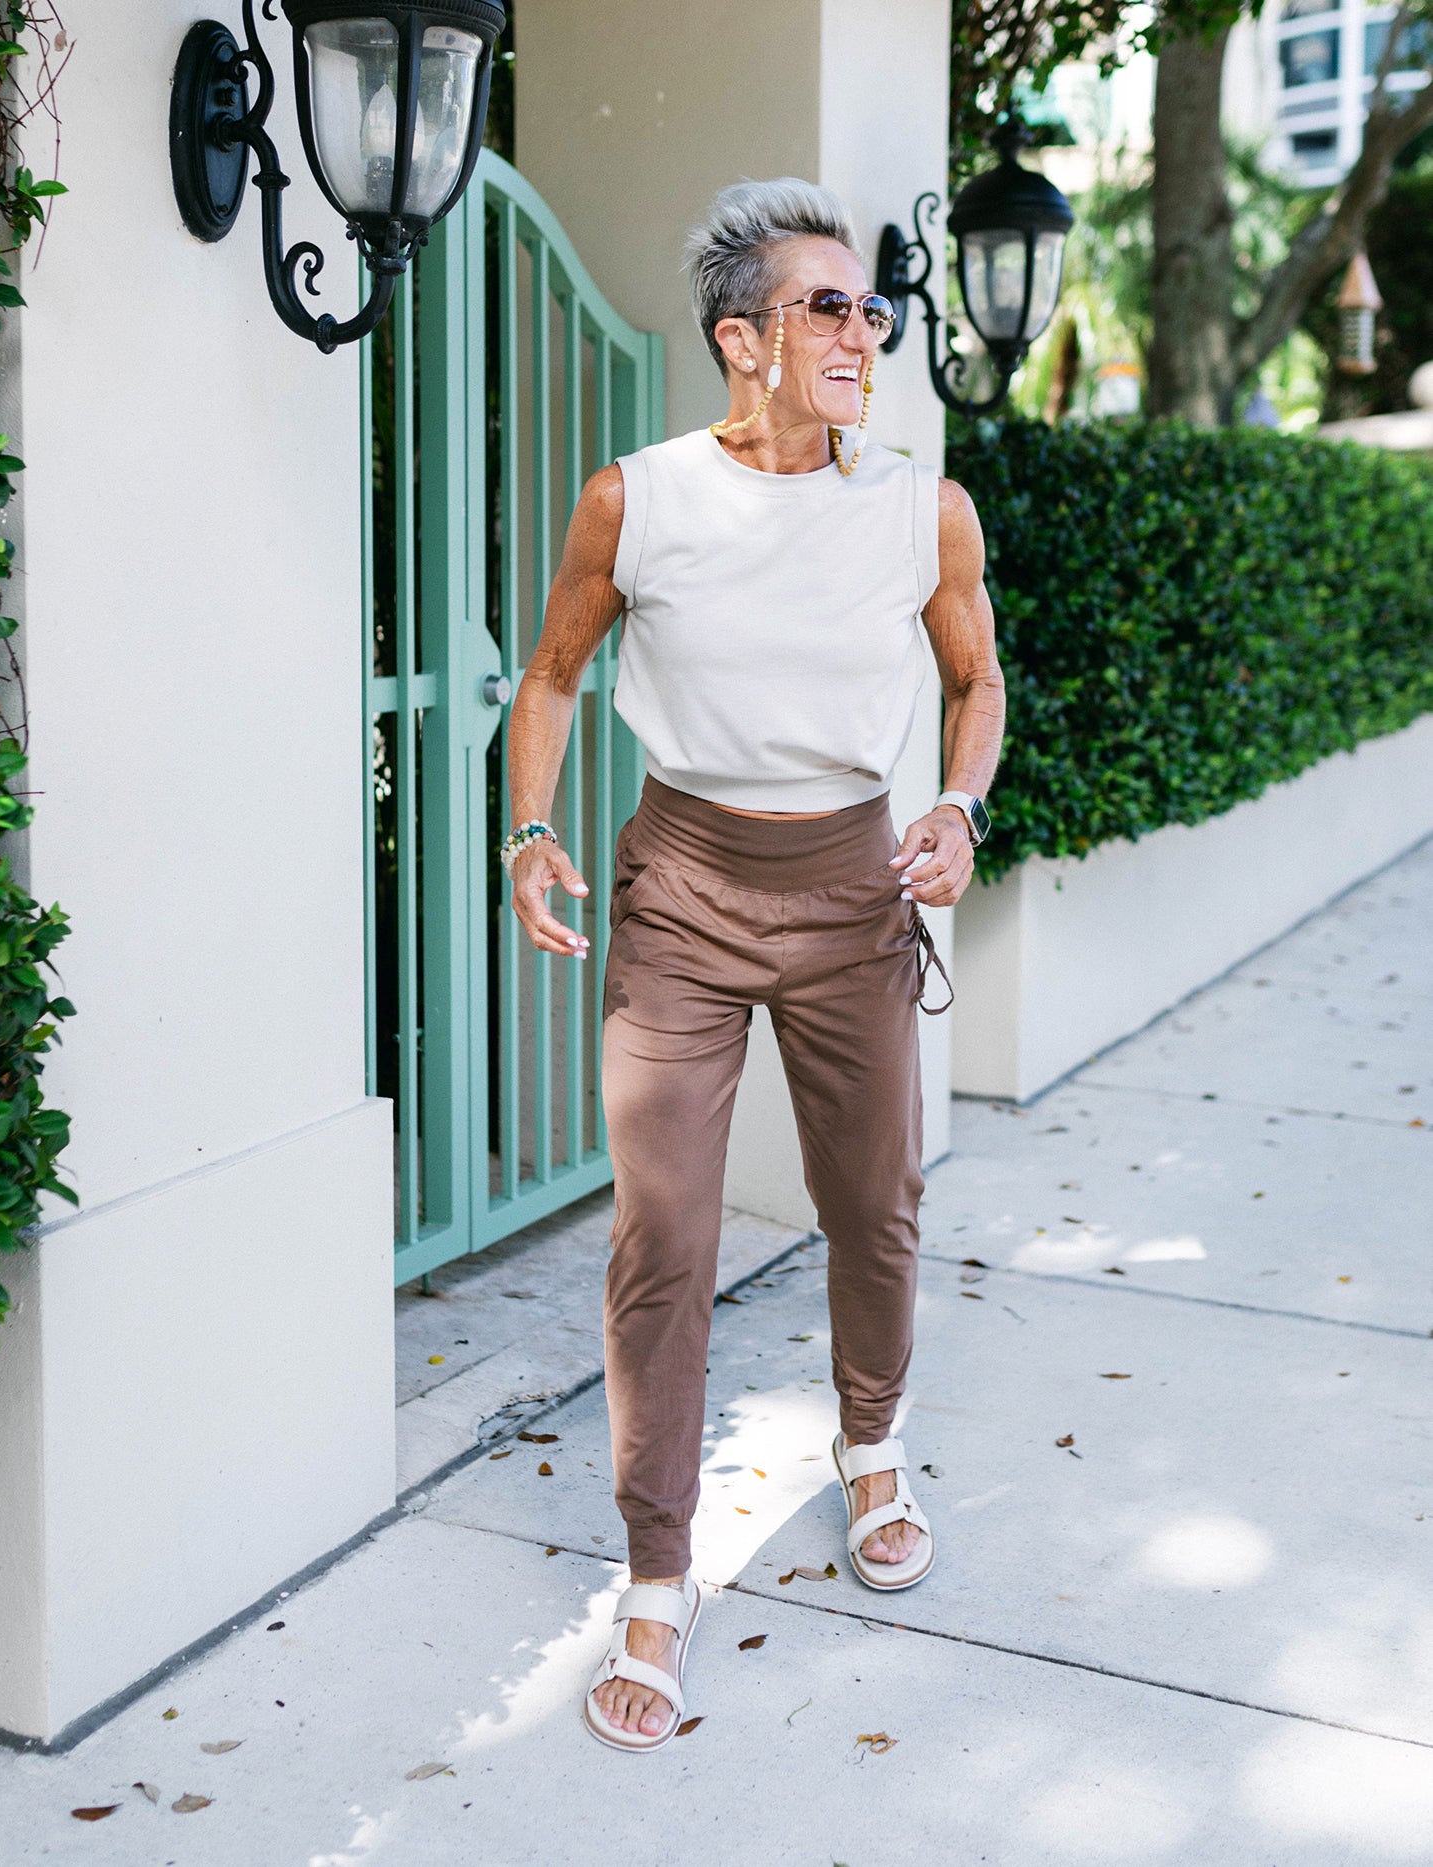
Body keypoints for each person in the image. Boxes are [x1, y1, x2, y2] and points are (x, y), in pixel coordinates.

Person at [501, 178, 1005, 1752]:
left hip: (852, 888)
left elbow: (978, 684)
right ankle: (657, 1573)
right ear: (742, 339)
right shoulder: (632, 500)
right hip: (685, 892)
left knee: (876, 1200)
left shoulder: (922, 504)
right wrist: (528, 830)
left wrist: (960, 807)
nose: (868, 331)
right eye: (831, 308)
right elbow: (554, 674)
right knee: (664, 1235)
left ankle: (871, 1447)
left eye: (874, 308)